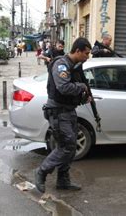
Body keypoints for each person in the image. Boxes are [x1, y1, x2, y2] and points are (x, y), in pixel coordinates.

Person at [34, 37, 92, 193]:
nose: (87, 57)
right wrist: (81, 87)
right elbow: (63, 88)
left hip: (68, 110)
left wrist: (83, 97)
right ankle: (41, 171)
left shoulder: (75, 66)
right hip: (58, 112)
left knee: (70, 148)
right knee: (67, 146)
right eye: (86, 53)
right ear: (77, 50)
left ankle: (63, 180)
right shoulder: (61, 64)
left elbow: (71, 92)